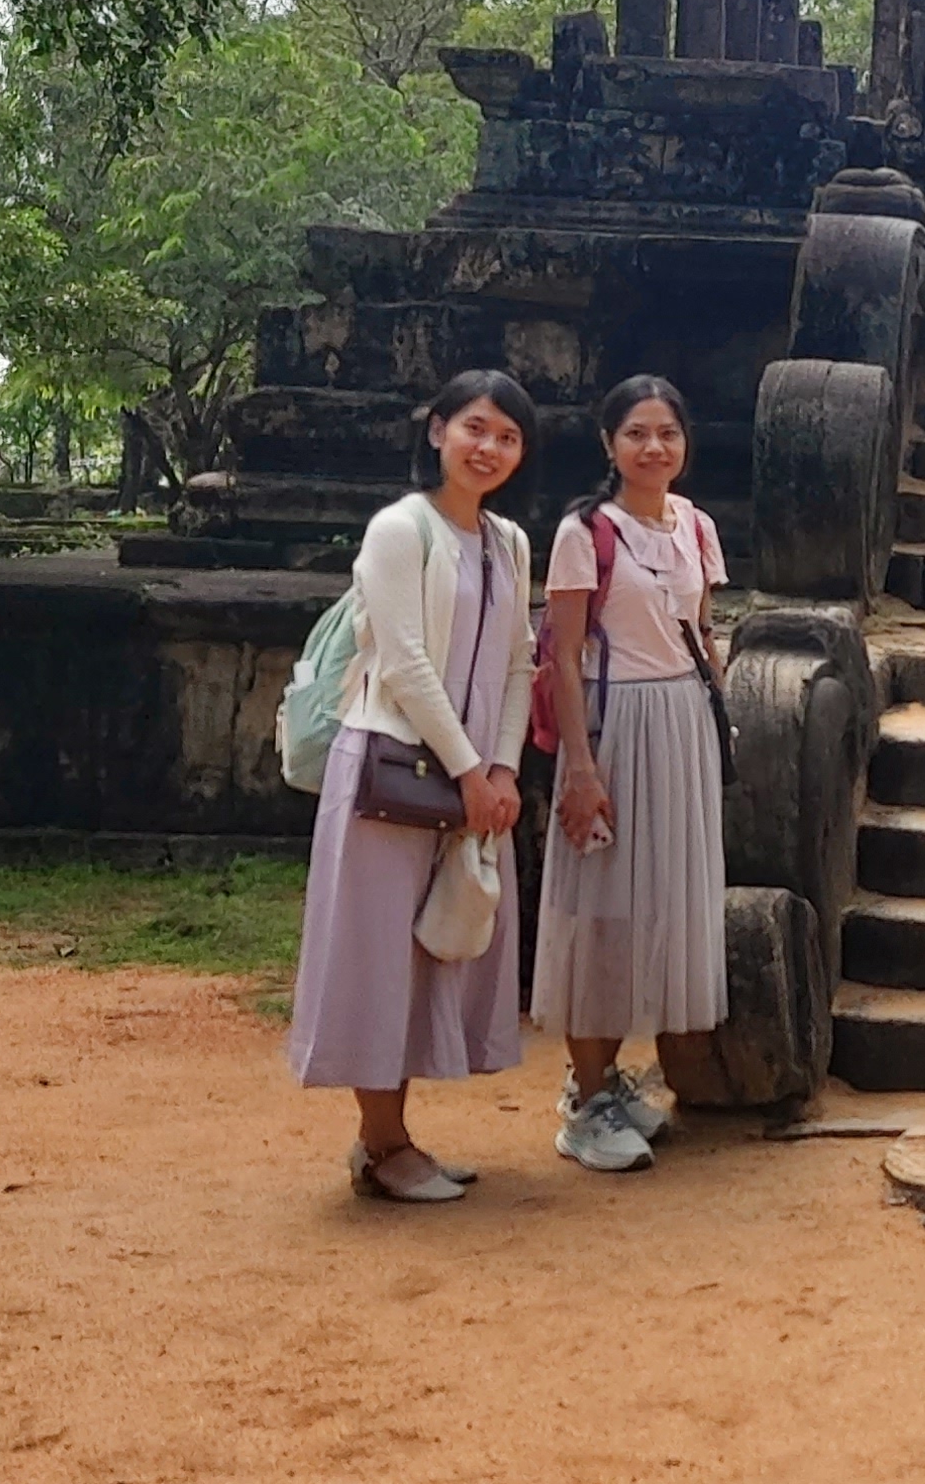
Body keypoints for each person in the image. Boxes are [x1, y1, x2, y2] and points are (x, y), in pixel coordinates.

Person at [286, 369, 537, 1204]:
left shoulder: (508, 543)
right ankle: (383, 1142)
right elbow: (403, 661)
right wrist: (470, 769)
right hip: (391, 770)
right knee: (378, 952)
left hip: (471, 781)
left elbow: (518, 663)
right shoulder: (401, 528)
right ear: (438, 431)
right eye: (475, 428)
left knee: (433, 948)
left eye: (507, 437)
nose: (488, 448)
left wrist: (502, 769)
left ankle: (392, 1139)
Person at [535, 375, 729, 1174]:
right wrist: (581, 769)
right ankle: (587, 1101)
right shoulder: (586, 533)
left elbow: (704, 632)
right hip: (614, 727)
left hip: (683, 724)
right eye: (637, 433)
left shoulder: (696, 526)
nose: (654, 448)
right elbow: (563, 658)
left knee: (661, 906)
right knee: (603, 910)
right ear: (608, 444)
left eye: (668, 433)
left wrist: (719, 717)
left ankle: (608, 1080)